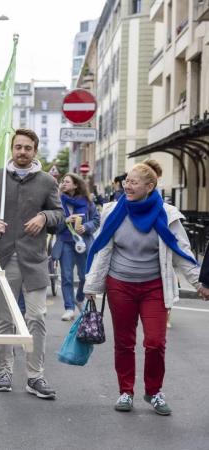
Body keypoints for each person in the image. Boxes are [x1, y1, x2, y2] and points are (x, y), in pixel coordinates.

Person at [84, 160, 203, 415]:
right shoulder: (113, 212)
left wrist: (200, 284)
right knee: (125, 343)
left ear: (150, 186)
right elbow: (103, 249)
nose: (127, 185)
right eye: (127, 181)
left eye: (134, 182)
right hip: (120, 285)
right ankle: (126, 392)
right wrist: (92, 284)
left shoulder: (167, 215)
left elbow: (181, 251)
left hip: (154, 287)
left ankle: (154, 392)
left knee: (155, 342)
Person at [0, 128, 64, 399]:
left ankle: (35, 376)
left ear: (35, 151)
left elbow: (60, 216)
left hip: (34, 260)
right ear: (12, 149)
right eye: (18, 147)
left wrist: (44, 217)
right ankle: (4, 371)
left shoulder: (47, 182)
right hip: (3, 257)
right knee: (5, 319)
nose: (22, 152)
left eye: (28, 148)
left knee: (36, 316)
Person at [51, 173, 100, 321]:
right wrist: (65, 220)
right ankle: (69, 308)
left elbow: (97, 221)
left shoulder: (87, 202)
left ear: (76, 185)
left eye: (67, 182)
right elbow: (53, 224)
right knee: (66, 277)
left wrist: (86, 227)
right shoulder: (58, 202)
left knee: (84, 277)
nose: (63, 184)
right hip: (65, 242)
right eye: (62, 182)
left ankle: (79, 298)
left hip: (83, 244)